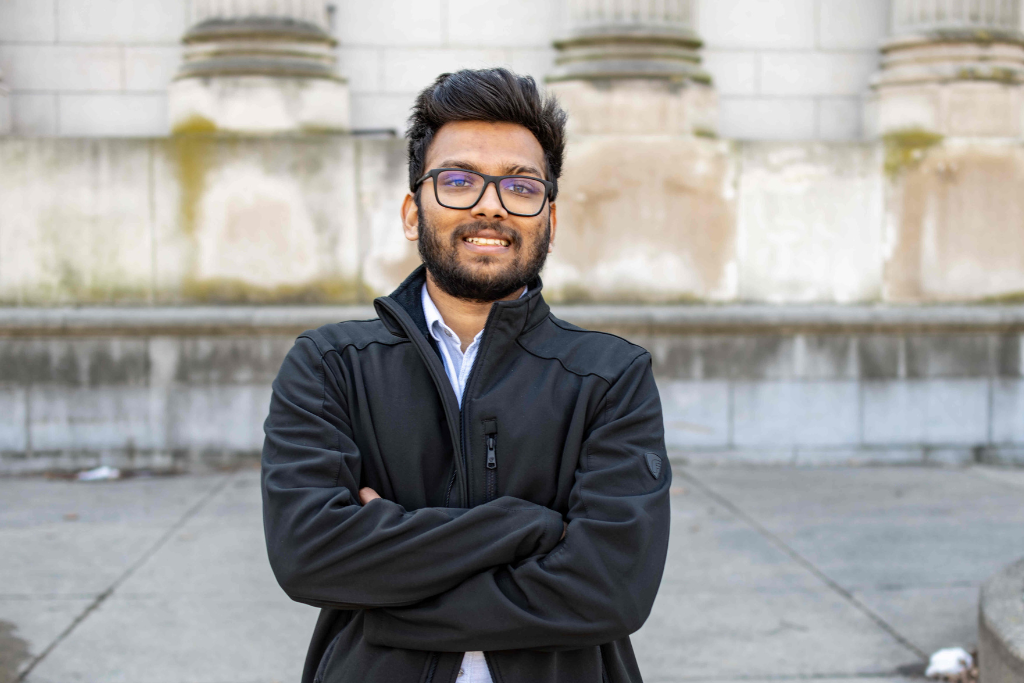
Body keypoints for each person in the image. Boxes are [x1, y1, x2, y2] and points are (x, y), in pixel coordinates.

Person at [262, 68, 671, 683]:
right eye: (457, 180)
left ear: (550, 221)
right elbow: (309, 556)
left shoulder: (610, 377)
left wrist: (386, 591)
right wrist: (529, 526)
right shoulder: (330, 366)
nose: (489, 204)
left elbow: (610, 590)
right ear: (412, 212)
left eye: (521, 186)